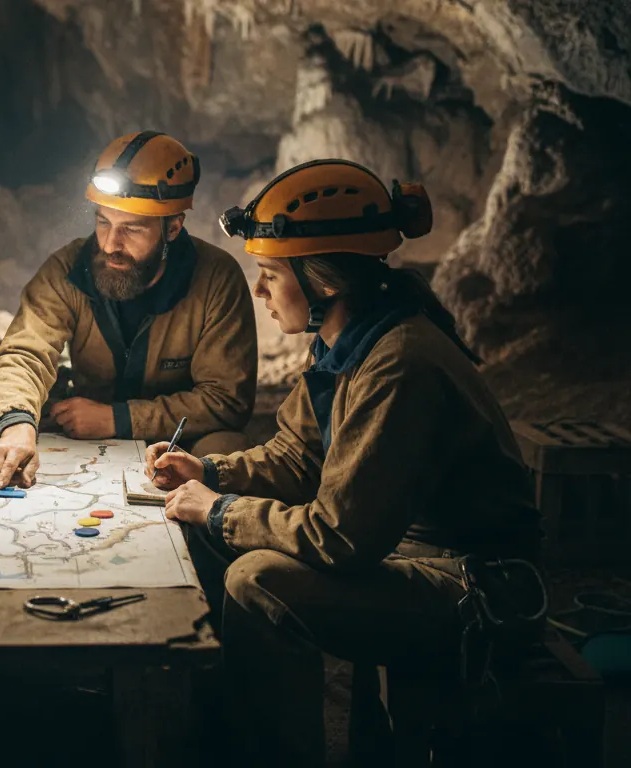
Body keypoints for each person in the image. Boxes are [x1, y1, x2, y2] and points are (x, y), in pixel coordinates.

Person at [146, 159, 541, 766]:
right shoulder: (345, 343)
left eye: (270, 274)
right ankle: (218, 725)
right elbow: (295, 455)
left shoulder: (398, 363)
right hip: (407, 555)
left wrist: (220, 510)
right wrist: (209, 475)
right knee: (203, 531)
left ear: (322, 280)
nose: (259, 291)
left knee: (257, 584)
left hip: (473, 586)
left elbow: (340, 537)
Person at [0, 131, 257, 489]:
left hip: (178, 446)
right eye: (103, 222)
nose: (112, 244)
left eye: (133, 228)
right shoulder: (68, 270)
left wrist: (120, 419)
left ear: (172, 228)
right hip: (83, 433)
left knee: (228, 449)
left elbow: (226, 400)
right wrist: (17, 427)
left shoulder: (215, 280)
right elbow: (23, 353)